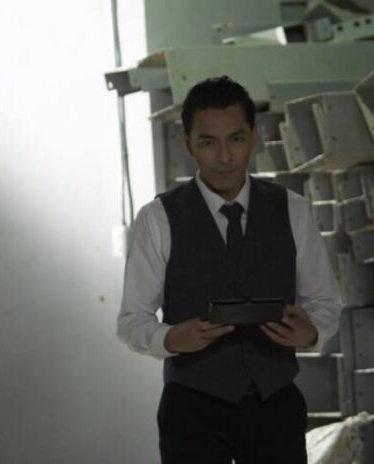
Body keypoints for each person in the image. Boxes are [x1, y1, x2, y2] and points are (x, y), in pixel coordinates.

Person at [117, 76, 342, 463]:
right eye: (208, 142)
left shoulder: (292, 209)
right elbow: (131, 320)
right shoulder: (157, 219)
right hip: (191, 410)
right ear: (188, 144)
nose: (225, 157)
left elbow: (325, 302)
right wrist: (171, 338)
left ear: (253, 136)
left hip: (276, 405)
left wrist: (311, 333)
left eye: (235, 139)